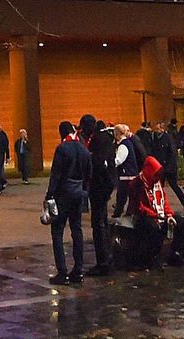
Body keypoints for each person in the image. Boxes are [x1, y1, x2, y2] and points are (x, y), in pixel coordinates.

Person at [45, 121, 90, 285]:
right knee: (76, 230)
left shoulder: (62, 149)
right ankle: (78, 270)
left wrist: (49, 195)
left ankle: (62, 271)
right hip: (79, 193)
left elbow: (56, 175)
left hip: (63, 194)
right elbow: (88, 174)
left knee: (57, 231)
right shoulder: (83, 149)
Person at [129, 155, 184, 269]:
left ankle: (175, 253)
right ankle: (151, 258)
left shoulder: (156, 183)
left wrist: (168, 215)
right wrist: (157, 216)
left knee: (180, 223)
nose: (157, 177)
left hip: (158, 215)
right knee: (153, 228)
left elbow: (164, 201)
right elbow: (140, 207)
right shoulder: (137, 183)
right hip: (142, 216)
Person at [81, 114, 116, 276]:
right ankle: (106, 259)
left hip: (99, 187)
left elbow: (98, 163)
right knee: (102, 223)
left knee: (99, 224)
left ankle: (103, 262)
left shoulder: (98, 140)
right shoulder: (104, 138)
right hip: (103, 186)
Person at [147, 121, 184, 210]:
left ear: (162, 129)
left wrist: (169, 167)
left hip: (169, 167)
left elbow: (172, 153)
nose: (157, 131)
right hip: (160, 167)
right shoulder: (155, 139)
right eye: (156, 129)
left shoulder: (168, 138)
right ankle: (158, 204)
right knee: (158, 187)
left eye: (158, 129)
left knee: (174, 185)